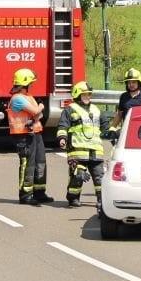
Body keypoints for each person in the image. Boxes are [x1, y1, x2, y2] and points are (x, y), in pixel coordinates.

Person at [58, 81, 110, 209]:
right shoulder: (70, 110)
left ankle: (101, 200)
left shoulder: (96, 110)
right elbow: (63, 125)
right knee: (77, 176)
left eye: (89, 94)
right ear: (77, 95)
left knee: (99, 177)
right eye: (84, 94)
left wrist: (112, 134)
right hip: (77, 151)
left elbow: (105, 128)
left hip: (95, 151)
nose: (87, 97)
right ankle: (73, 198)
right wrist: (62, 138)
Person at [8, 68, 51, 205]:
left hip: (35, 133)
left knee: (40, 162)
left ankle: (39, 192)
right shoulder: (18, 99)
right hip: (23, 136)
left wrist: (38, 111)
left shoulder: (28, 97)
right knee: (28, 164)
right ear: (25, 84)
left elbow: (38, 115)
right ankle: (25, 194)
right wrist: (40, 107)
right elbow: (36, 112)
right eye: (30, 83)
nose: (32, 85)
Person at [107, 68, 141, 141]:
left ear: (139, 83)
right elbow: (119, 115)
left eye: (133, 82)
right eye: (129, 82)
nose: (131, 85)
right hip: (127, 131)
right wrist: (112, 128)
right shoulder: (124, 96)